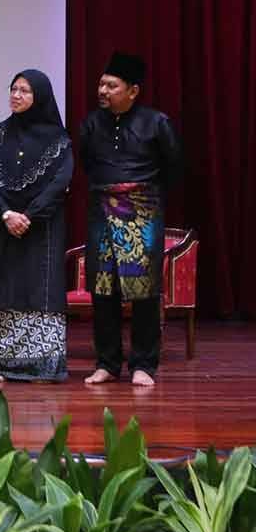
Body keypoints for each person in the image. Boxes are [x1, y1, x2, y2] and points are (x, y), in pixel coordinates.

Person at [82, 52, 182, 387]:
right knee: (102, 289)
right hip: (101, 211)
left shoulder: (157, 122)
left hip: (142, 211)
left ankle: (143, 364)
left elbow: (174, 168)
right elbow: (86, 164)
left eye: (112, 85)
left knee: (144, 292)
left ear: (133, 91)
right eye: (101, 84)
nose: (103, 90)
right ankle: (107, 363)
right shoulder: (92, 124)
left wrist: (141, 197)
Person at [0, 69, 72, 383]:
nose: (16, 95)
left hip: (41, 230)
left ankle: (41, 363)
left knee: (38, 289)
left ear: (40, 96)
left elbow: (59, 184)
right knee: (3, 286)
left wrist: (29, 215)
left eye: (25, 91)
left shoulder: (59, 140)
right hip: (3, 226)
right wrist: (7, 214)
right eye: (13, 89)